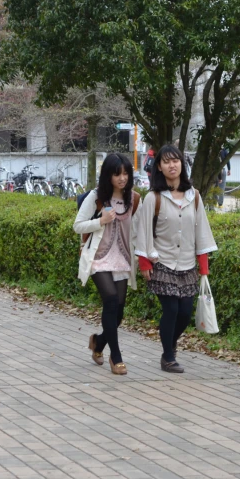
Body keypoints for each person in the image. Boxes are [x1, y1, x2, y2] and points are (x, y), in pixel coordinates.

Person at [135, 145, 217, 373]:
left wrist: (203, 269)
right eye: (166, 162)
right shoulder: (153, 198)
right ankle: (168, 357)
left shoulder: (195, 196)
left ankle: (169, 343)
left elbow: (202, 233)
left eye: (176, 160)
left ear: (182, 164)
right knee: (171, 310)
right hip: (162, 263)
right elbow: (143, 231)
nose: (172, 165)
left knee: (184, 313)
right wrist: (144, 263)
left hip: (187, 265)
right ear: (159, 167)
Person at [74, 153, 140, 375]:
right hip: (98, 257)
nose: (122, 178)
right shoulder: (97, 197)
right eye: (117, 174)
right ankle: (116, 356)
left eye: (125, 173)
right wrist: (100, 220)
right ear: (107, 176)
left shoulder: (134, 198)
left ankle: (98, 342)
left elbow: (137, 230)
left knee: (118, 311)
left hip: (122, 258)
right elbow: (78, 226)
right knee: (110, 298)